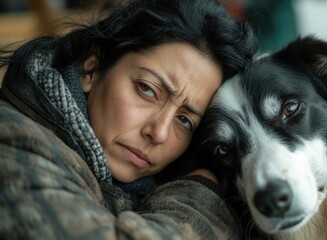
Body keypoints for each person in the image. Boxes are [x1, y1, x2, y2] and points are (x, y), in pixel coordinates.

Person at [0, 0, 255, 239]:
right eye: (147, 89)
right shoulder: (13, 139)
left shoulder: (144, 182)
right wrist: (200, 197)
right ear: (91, 68)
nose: (159, 133)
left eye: (185, 121)